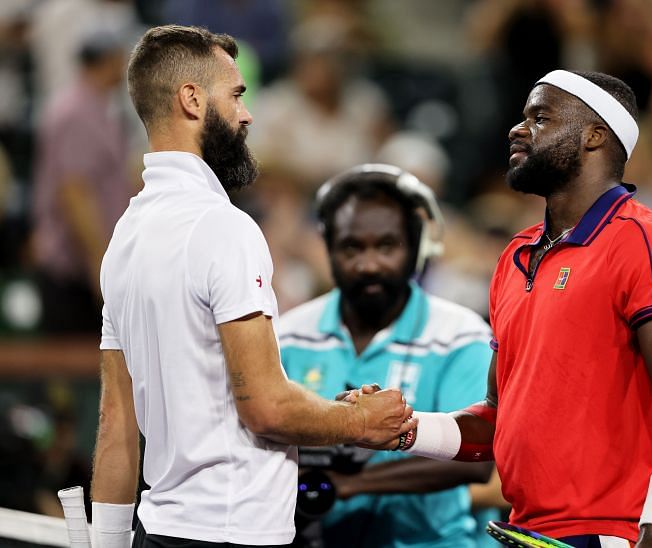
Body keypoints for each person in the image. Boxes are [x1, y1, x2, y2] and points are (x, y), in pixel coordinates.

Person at [354, 70, 652, 547]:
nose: (517, 129)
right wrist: (405, 429)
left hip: (621, 533)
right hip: (530, 531)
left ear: (594, 136)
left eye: (540, 118)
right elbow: (495, 419)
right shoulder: (515, 256)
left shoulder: (641, 241)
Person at [90, 25, 414, 548]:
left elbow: (115, 422)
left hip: (160, 531)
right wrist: (359, 420)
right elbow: (265, 407)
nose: (247, 113)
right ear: (192, 100)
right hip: (232, 533)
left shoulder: (125, 236)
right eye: (237, 94)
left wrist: (105, 545)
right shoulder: (226, 227)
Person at [278, 164, 496, 547]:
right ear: (328, 248)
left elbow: (477, 462)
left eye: (386, 246)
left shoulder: (460, 335)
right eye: (351, 247)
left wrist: (350, 485)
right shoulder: (287, 336)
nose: (369, 264)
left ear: (417, 248)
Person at [31, 29, 132, 333]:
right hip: (75, 271)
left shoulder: (98, 107)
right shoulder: (75, 112)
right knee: (77, 371)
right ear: (109, 60)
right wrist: (99, 265)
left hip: (90, 266)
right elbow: (75, 193)